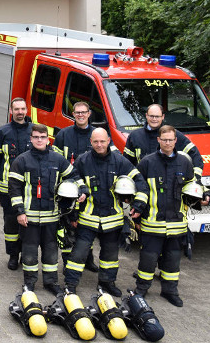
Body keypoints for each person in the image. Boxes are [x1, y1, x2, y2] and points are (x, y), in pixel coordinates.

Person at [63, 128, 147, 296]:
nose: (99, 145)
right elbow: (70, 180)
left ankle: (107, 282)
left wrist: (138, 206)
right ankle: (70, 284)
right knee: (78, 253)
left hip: (113, 221)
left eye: (102, 141)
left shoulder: (120, 161)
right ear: (91, 142)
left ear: (109, 140)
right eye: (96, 142)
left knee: (110, 256)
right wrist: (73, 211)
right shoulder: (82, 161)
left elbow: (140, 181)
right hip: (87, 219)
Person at [132, 125, 208, 307]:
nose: (167, 143)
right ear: (158, 140)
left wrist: (205, 195)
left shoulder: (185, 163)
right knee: (148, 260)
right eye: (164, 139)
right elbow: (139, 189)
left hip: (176, 224)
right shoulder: (147, 163)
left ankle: (170, 291)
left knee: (173, 261)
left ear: (176, 141)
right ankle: (141, 289)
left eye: (171, 140)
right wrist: (136, 216)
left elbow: (193, 185)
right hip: (152, 224)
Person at [10, 123, 78, 295]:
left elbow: (74, 176)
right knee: (30, 252)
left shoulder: (58, 159)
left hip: (52, 218)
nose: (39, 140)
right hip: (29, 218)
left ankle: (51, 282)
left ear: (48, 139)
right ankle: (30, 282)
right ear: (31, 139)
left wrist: (81, 190)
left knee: (51, 252)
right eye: (36, 137)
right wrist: (20, 212)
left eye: (42, 137)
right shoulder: (21, 160)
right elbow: (14, 188)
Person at [52, 100, 100, 272]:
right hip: (68, 189)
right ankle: (68, 263)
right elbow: (55, 160)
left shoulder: (97, 134)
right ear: (73, 114)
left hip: (90, 189)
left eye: (83, 112)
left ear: (89, 114)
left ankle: (88, 259)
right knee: (67, 226)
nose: (80, 115)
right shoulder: (63, 135)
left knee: (87, 224)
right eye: (77, 112)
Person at [0, 97, 32, 270]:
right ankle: (13, 255)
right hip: (7, 188)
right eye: (17, 109)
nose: (20, 112)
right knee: (11, 222)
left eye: (23, 109)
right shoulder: (3, 131)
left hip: (29, 188)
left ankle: (25, 254)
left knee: (28, 223)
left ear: (26, 110)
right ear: (11, 111)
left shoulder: (33, 130)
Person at [123, 103, 204, 182]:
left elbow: (196, 157)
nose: (154, 119)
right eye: (151, 116)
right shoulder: (135, 136)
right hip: (143, 185)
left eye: (157, 116)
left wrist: (196, 180)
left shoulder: (172, 135)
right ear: (146, 116)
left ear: (163, 117)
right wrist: (136, 181)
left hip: (168, 185)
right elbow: (126, 164)